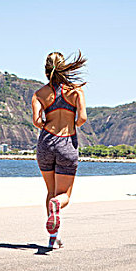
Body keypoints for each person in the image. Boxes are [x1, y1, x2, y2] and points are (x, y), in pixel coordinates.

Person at [31, 51, 87, 249]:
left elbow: (37, 121)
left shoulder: (39, 94)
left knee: (50, 191)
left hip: (46, 143)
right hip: (66, 143)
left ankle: (54, 238)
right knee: (63, 196)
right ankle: (56, 213)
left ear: (46, 70)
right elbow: (82, 119)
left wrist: (49, 121)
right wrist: (69, 120)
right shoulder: (76, 91)